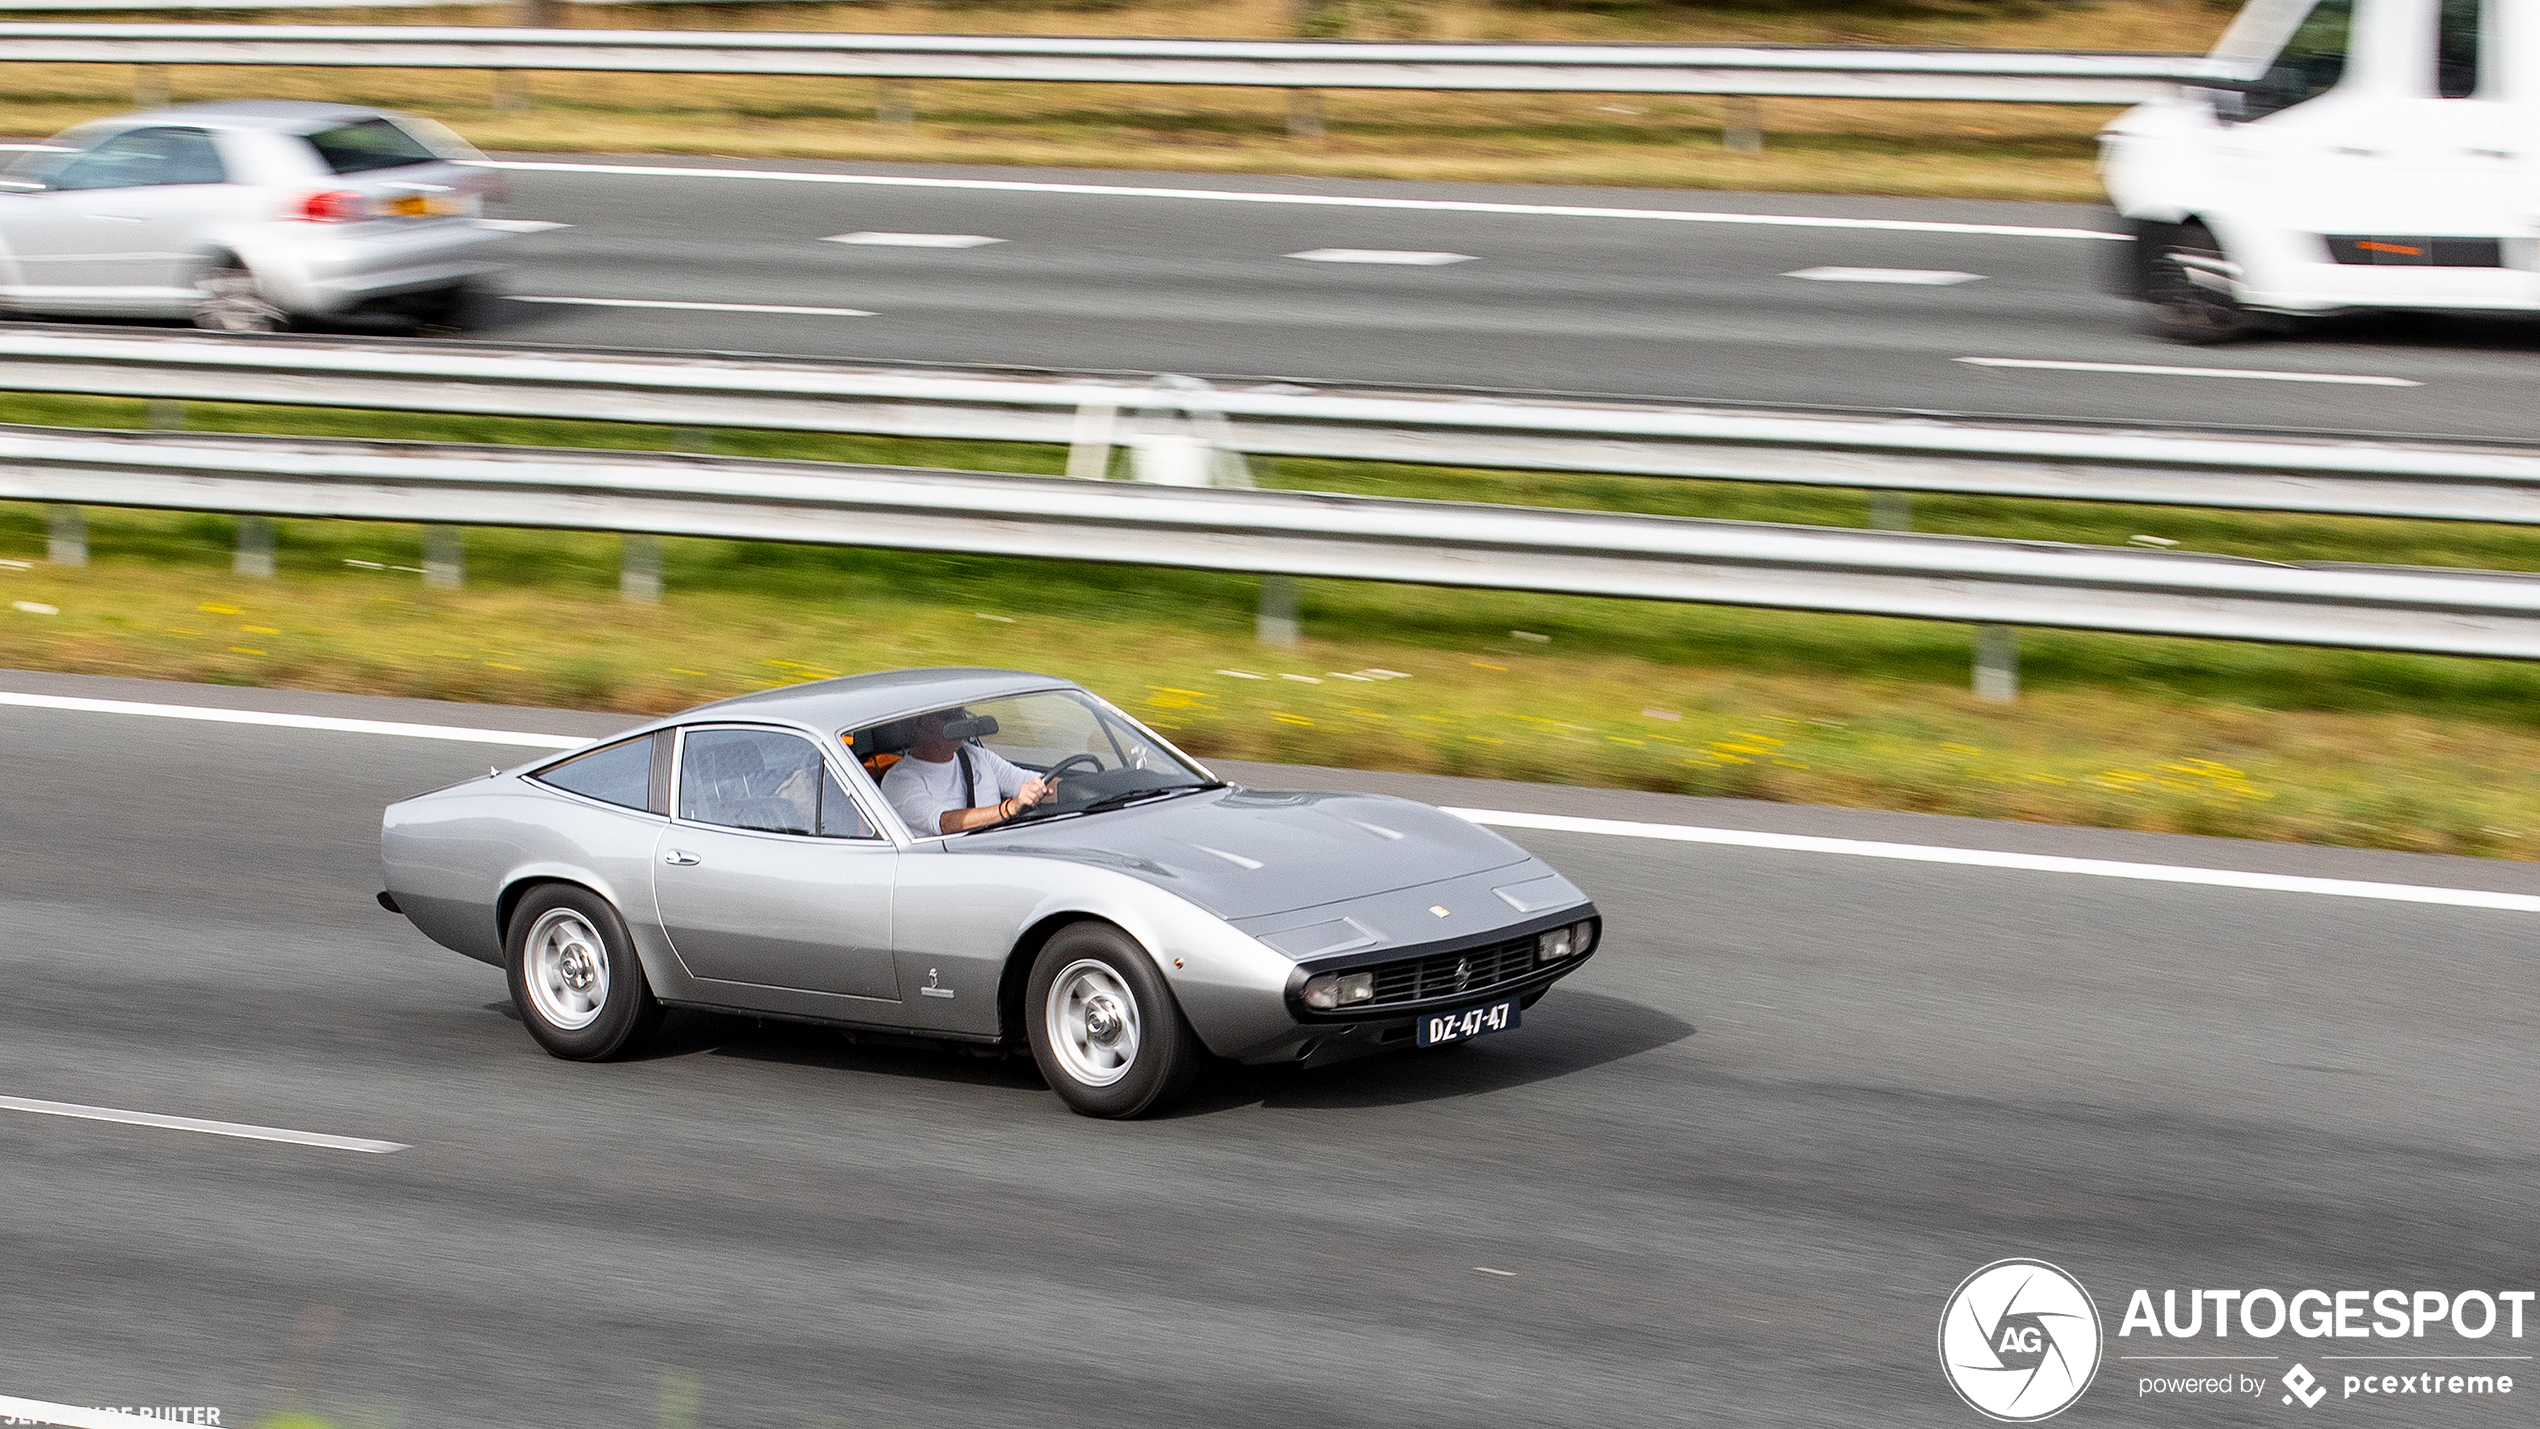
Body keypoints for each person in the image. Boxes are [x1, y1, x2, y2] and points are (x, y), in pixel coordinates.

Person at [878, 707, 1056, 835]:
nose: (960, 720)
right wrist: (1009, 808)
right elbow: (943, 822)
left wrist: (1071, 788)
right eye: (947, 715)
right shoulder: (899, 780)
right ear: (915, 724)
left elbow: (1030, 782)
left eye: (961, 711)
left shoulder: (976, 756)